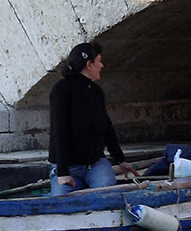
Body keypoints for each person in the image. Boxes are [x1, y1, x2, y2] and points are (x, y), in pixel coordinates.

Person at [48, 41, 137, 196]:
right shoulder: (61, 90)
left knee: (106, 193)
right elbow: (59, 131)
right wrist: (63, 172)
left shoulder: (96, 91)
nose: (102, 65)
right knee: (60, 199)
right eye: (99, 61)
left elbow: (107, 127)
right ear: (89, 64)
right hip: (69, 167)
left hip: (95, 165)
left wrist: (120, 160)